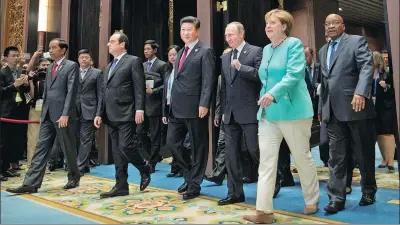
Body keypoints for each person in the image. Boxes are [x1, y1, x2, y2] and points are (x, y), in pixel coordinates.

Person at [243, 9, 320, 224]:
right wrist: (264, 100)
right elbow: (265, 79)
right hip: (268, 114)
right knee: (266, 162)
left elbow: (294, 74)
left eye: (273, 22)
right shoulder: (266, 49)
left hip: (293, 112)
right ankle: (263, 211)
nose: (268, 26)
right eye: (267, 22)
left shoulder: (293, 44)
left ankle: (312, 199)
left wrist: (272, 94)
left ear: (284, 26)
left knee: (302, 157)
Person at [319, 14, 377, 214]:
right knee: (336, 157)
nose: (330, 26)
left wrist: (360, 92)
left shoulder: (355, 41)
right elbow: (324, 83)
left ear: (343, 26)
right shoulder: (322, 50)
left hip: (356, 107)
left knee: (363, 155)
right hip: (333, 112)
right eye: (327, 24)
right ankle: (336, 198)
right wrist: (321, 108)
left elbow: (366, 66)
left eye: (334, 23)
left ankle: (368, 190)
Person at [6, 38, 81, 193]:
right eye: (50, 48)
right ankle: (31, 183)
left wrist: (66, 113)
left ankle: (74, 176)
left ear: (63, 50)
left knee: (68, 148)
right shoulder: (50, 67)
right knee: (41, 148)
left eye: (54, 48)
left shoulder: (71, 66)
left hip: (62, 115)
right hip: (47, 114)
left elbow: (71, 91)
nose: (50, 50)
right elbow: (46, 92)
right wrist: (44, 112)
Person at [94, 32, 152, 198]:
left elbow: (139, 87)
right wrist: (99, 113)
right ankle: (121, 185)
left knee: (126, 146)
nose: (108, 44)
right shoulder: (109, 66)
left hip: (127, 112)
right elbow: (103, 92)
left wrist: (140, 109)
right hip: (110, 115)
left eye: (112, 41)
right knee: (117, 152)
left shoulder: (133, 61)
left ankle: (144, 167)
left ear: (122, 44)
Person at [165, 16, 215, 200]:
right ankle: (189, 174)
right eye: (183, 30)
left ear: (197, 31)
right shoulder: (180, 52)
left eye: (189, 29)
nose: (185, 33)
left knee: (198, 146)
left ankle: (194, 184)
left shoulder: (205, 51)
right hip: (177, 107)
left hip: (195, 107)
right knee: (172, 142)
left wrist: (204, 103)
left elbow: (208, 80)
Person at [218, 22, 262, 205]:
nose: (228, 38)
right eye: (226, 35)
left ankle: (273, 180)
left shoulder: (256, 51)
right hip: (230, 114)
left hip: (250, 111)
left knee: (255, 151)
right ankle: (235, 193)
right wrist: (220, 112)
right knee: (231, 155)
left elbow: (261, 76)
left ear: (242, 34)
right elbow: (224, 88)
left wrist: (241, 67)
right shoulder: (225, 57)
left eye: (232, 35)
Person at [0, 46, 30, 181]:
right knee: (3, 142)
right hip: (5, 112)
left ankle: (6, 169)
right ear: (6, 57)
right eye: (13, 55)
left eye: (18, 55)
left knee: (13, 142)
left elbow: (26, 91)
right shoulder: (2, 72)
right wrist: (14, 85)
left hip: (19, 111)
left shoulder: (20, 70)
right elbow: (2, 92)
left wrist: (26, 83)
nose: (16, 58)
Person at [138, 40, 167, 171]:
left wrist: (154, 91)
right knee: (140, 133)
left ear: (155, 50)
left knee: (155, 135)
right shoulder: (142, 65)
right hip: (143, 104)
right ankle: (154, 155)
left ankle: (153, 162)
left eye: (148, 49)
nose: (146, 52)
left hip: (155, 104)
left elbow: (166, 85)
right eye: (144, 49)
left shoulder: (162, 65)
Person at [162, 45, 190, 178]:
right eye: (170, 55)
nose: (172, 57)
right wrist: (164, 112)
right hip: (170, 109)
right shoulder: (168, 72)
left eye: (174, 54)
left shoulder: (183, 70)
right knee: (171, 142)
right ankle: (180, 167)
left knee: (183, 143)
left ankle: (183, 169)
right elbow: (165, 93)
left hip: (184, 109)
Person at [75, 49, 103, 175]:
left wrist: (98, 113)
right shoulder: (73, 72)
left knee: (85, 139)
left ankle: (79, 167)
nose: (84, 59)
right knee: (76, 138)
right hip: (74, 110)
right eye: (82, 57)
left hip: (90, 110)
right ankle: (84, 165)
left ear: (90, 60)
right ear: (78, 59)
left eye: (86, 57)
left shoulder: (97, 73)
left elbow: (100, 95)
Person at [372, 51, 396, 172]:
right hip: (375, 107)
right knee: (379, 134)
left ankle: (391, 160)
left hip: (386, 107)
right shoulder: (370, 74)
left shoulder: (386, 73)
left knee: (388, 134)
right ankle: (384, 159)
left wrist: (386, 86)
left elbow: (394, 89)